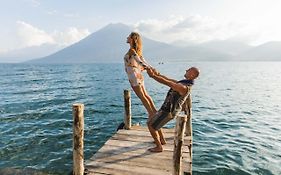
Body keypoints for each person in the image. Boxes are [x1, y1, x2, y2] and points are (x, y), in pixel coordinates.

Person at [124, 32, 166, 144]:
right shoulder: (136, 51)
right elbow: (144, 62)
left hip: (134, 77)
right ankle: (161, 136)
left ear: (133, 39)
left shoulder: (132, 51)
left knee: (145, 102)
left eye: (129, 36)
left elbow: (141, 62)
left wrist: (151, 69)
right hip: (138, 76)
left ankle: (157, 132)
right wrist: (152, 68)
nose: (127, 37)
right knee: (147, 98)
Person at [146, 66, 200, 152]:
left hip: (169, 112)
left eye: (188, 70)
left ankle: (159, 147)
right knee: (153, 122)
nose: (186, 69)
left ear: (191, 75)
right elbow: (168, 79)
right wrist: (157, 74)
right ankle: (162, 140)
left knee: (150, 125)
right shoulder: (183, 83)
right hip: (166, 109)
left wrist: (153, 76)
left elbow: (168, 83)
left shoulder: (184, 87)